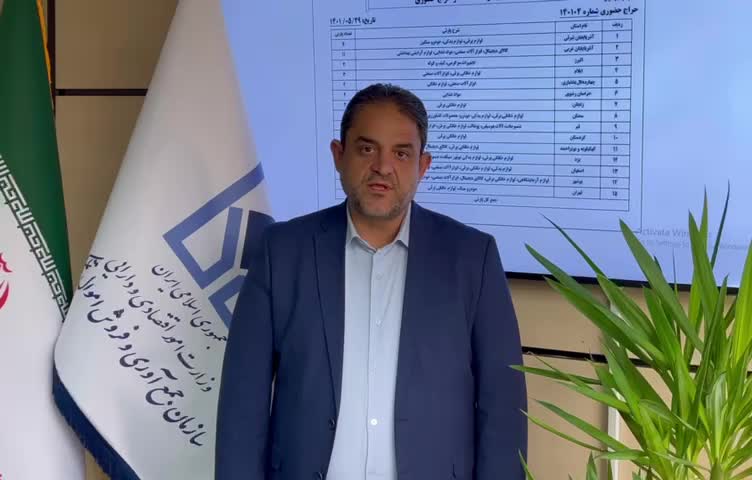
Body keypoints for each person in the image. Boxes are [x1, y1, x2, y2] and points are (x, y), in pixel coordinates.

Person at [216, 83, 527, 479]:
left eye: (401, 153)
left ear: (423, 166)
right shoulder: (282, 251)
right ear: (338, 155)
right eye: (367, 149)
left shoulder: (472, 258)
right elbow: (243, 403)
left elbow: (502, 408)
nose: (383, 166)